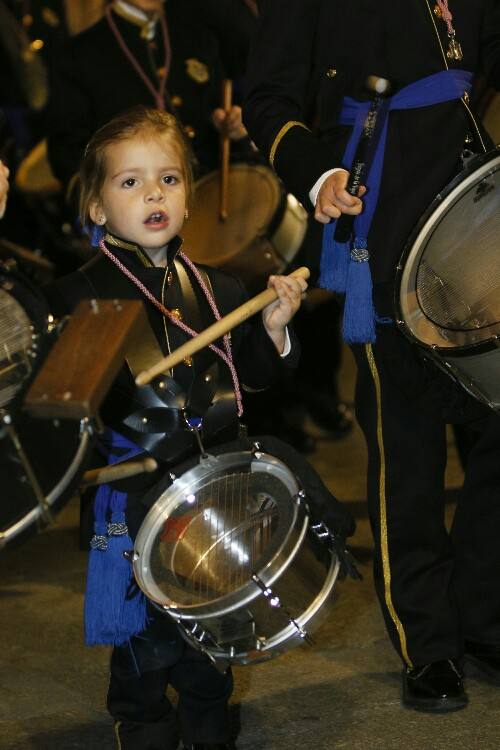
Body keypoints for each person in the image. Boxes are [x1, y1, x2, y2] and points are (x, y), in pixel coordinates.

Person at [46, 106, 354, 750]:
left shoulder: (215, 285)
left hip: (211, 486)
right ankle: (145, 723)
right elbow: (64, 405)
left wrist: (272, 330)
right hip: (135, 497)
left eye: (169, 179)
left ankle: (210, 718)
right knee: (144, 641)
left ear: (190, 197)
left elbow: (253, 378)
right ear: (97, 208)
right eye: (129, 182)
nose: (153, 193)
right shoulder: (81, 295)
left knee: (211, 619)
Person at [243, 0, 500, 714]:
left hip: (475, 219)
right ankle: (429, 643)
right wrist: (318, 170)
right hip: (378, 219)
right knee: (407, 448)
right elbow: (268, 97)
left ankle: (483, 615)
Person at [46, 0, 250, 202]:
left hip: (215, 191)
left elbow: (222, 106)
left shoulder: (196, 35)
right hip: (142, 211)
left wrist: (232, 124)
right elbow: (68, 157)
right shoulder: (76, 58)